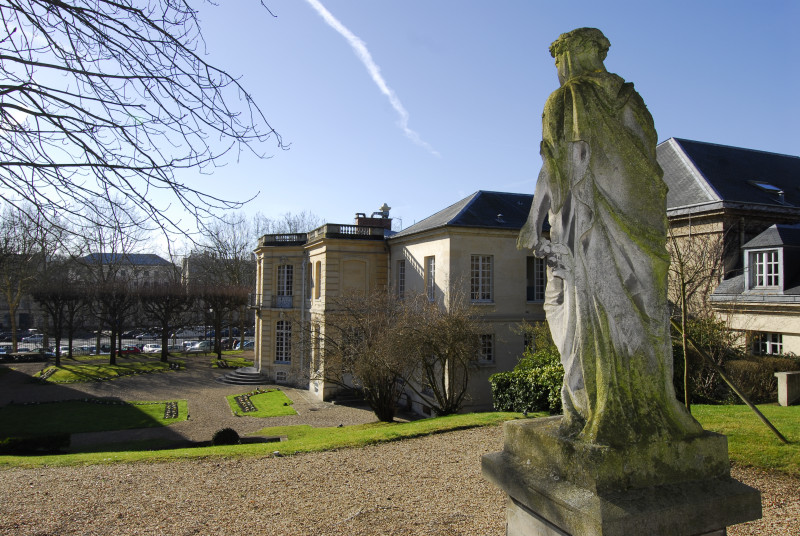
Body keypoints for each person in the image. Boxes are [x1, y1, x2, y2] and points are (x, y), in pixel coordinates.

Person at [518, 28, 702, 446]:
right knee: (643, 309)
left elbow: (558, 165)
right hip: (640, 224)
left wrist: (533, 220)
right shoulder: (630, 97)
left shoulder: (567, 99)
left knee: (567, 309)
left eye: (557, 59)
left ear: (572, 55)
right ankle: (649, 403)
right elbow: (647, 165)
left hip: (590, 224)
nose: (557, 69)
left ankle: (588, 404)